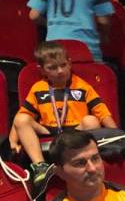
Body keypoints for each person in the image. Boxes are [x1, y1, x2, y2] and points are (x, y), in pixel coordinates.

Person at [10, 41, 117, 191]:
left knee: (91, 120)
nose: (60, 71)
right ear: (42, 70)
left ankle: (87, 160)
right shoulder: (38, 88)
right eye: (52, 68)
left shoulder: (82, 86)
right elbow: (22, 115)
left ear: (69, 63)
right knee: (22, 118)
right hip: (48, 130)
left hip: (76, 130)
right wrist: (13, 141)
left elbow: (102, 112)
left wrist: (116, 134)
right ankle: (40, 166)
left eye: (63, 65)